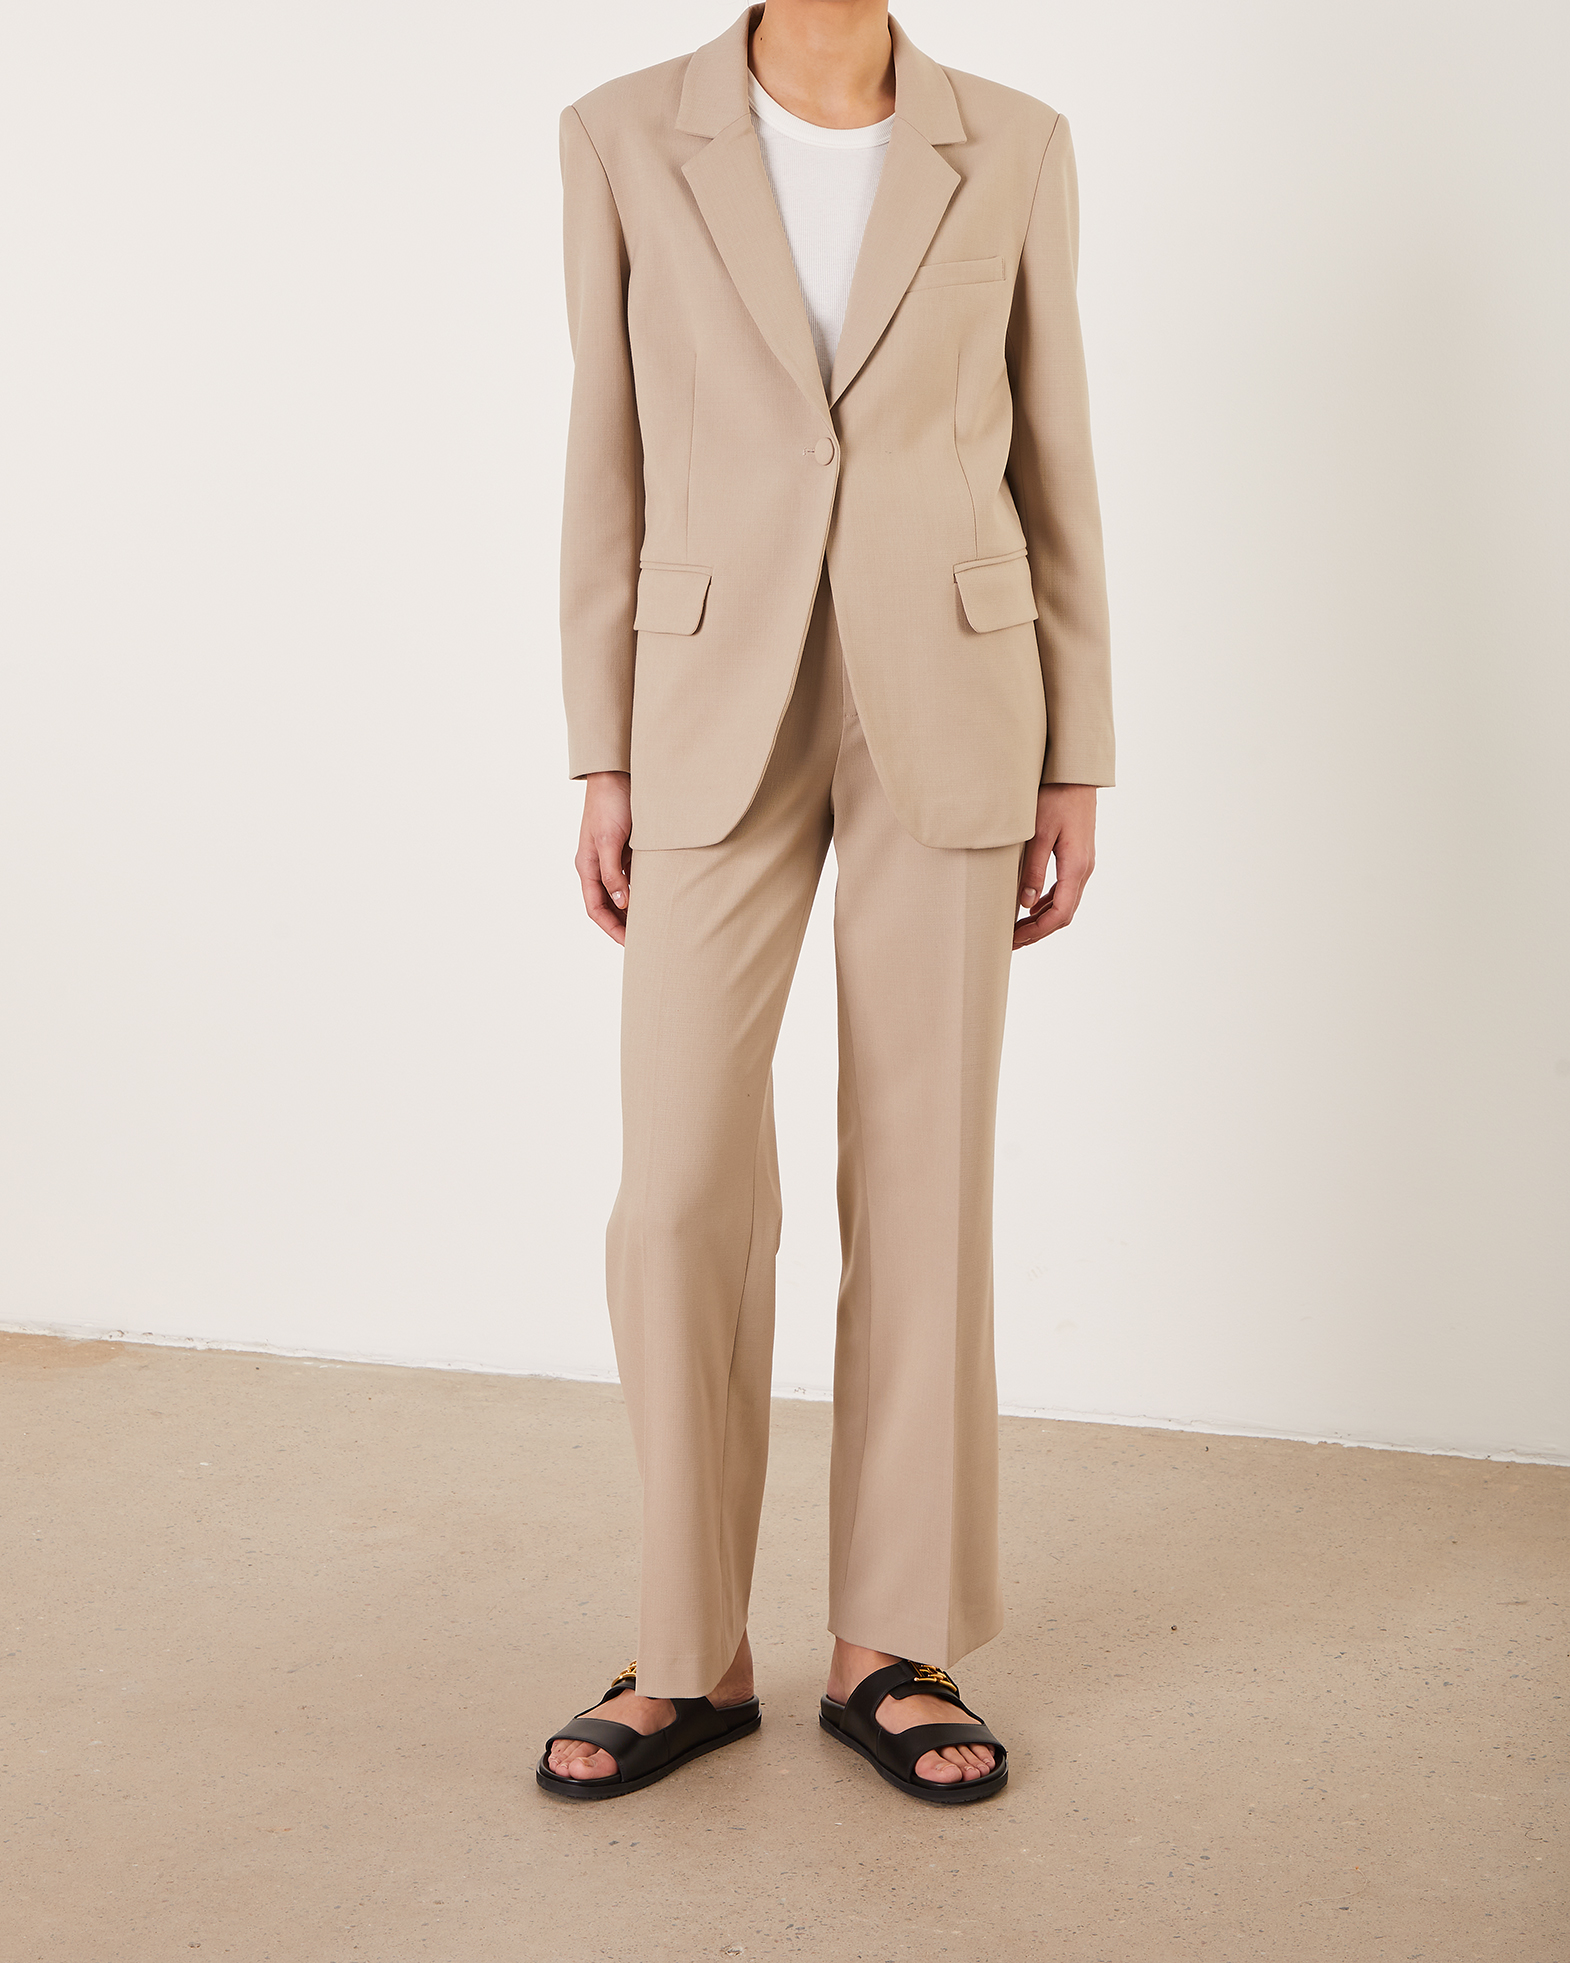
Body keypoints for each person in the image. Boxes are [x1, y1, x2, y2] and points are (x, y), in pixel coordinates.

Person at [537, 0, 1112, 1806]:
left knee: (923, 1169)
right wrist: (599, 745)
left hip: (954, 683)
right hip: (706, 687)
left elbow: (1052, 448)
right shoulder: (619, 131)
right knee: (678, 1186)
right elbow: (605, 446)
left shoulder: (1009, 139)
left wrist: (1077, 749)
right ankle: (686, 1648)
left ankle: (893, 1642)